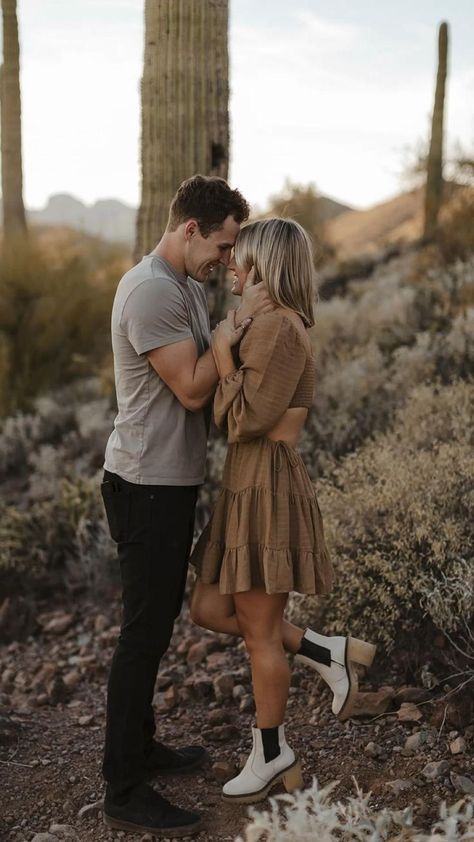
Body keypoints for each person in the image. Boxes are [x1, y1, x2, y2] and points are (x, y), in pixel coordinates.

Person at [100, 175, 273, 837]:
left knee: (155, 625)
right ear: (189, 228)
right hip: (145, 486)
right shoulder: (150, 292)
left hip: (166, 482)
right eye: (223, 246)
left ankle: (141, 747)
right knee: (142, 636)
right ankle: (122, 785)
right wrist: (240, 319)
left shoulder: (182, 286)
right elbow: (195, 388)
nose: (227, 262)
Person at [190, 218, 376, 804]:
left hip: (266, 485)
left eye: (241, 259)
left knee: (260, 638)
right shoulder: (267, 324)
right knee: (209, 607)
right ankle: (327, 652)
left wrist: (222, 350)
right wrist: (236, 336)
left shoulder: (278, 329)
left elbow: (243, 419)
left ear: (267, 265)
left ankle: (272, 752)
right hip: (249, 483)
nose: (232, 269)